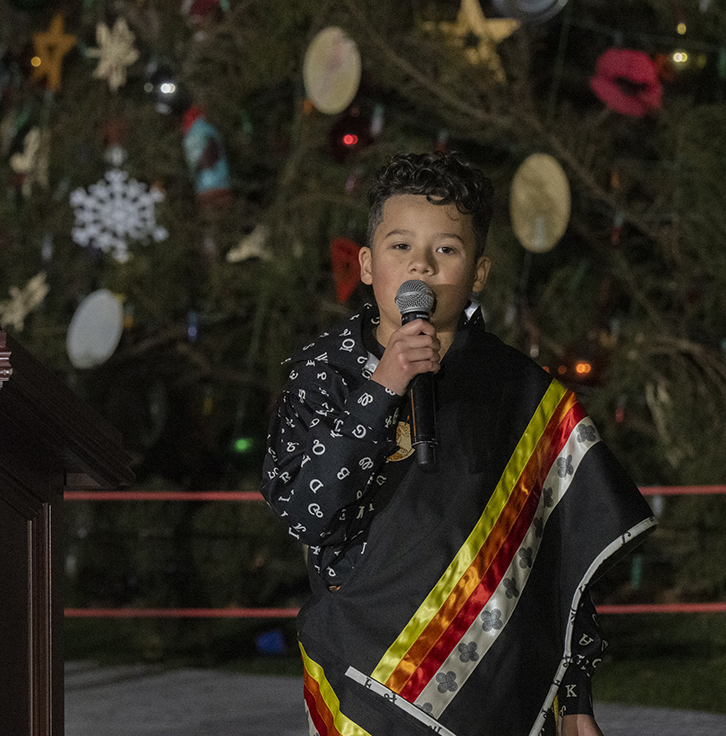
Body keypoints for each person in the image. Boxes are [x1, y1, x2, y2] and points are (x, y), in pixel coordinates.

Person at [262, 152, 654, 736]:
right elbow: (304, 513)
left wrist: (575, 702)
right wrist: (382, 388)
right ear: (367, 264)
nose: (421, 265)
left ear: (479, 273)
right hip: (364, 683)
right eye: (400, 247)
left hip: (505, 685)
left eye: (446, 250)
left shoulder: (519, 391)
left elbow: (556, 562)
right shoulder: (323, 374)